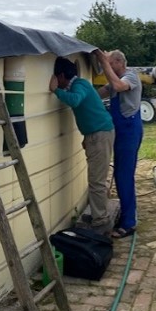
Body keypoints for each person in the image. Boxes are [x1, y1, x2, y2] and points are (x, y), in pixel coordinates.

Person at [49, 57, 115, 236]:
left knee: (96, 181)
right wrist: (87, 135)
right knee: (96, 179)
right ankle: (98, 215)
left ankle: (101, 222)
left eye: (57, 78)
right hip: (98, 133)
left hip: (100, 135)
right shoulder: (82, 83)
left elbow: (76, 100)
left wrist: (55, 91)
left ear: (62, 75)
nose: (57, 82)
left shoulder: (78, 86)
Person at [95, 49, 143, 238]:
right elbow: (102, 92)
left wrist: (102, 61)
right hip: (121, 131)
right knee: (121, 174)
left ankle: (129, 223)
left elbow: (118, 86)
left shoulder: (130, 77)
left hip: (129, 131)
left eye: (109, 63)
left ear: (117, 62)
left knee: (124, 176)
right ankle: (127, 216)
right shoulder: (115, 81)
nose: (106, 67)